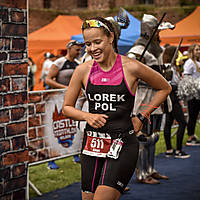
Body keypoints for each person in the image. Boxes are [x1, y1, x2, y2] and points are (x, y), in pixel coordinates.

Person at [62, 17, 171, 200]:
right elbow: (66, 108)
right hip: (91, 146)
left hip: (122, 144)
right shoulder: (83, 70)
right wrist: (87, 116)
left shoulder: (131, 67)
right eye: (88, 44)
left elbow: (165, 87)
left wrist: (142, 116)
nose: (92, 49)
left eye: (97, 42)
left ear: (111, 37)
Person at [127, 14, 174, 184]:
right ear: (148, 29)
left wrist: (165, 73)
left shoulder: (156, 49)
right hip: (143, 97)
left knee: (154, 136)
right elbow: (129, 72)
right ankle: (141, 174)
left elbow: (159, 72)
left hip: (157, 96)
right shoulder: (137, 50)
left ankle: (150, 169)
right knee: (143, 137)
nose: (157, 32)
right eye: (154, 29)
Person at [45, 40, 84, 168]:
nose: (79, 52)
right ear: (70, 48)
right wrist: (65, 88)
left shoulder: (78, 64)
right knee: (56, 128)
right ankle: (51, 160)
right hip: (58, 101)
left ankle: (74, 153)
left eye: (80, 50)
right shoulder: (59, 62)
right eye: (77, 49)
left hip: (73, 101)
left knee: (73, 127)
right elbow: (48, 80)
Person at [163, 45, 190, 158]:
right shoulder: (168, 68)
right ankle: (178, 150)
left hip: (172, 97)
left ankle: (169, 149)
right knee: (182, 123)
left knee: (168, 123)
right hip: (171, 97)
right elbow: (167, 84)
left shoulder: (173, 67)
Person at [182, 44, 200, 146]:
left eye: (199, 49)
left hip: (198, 93)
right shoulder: (189, 63)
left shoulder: (197, 62)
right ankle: (190, 137)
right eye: (197, 50)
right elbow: (187, 77)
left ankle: (192, 135)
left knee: (195, 115)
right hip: (193, 94)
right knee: (192, 115)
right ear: (192, 51)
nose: (198, 51)